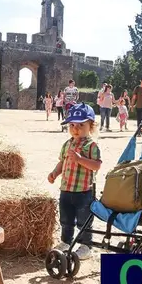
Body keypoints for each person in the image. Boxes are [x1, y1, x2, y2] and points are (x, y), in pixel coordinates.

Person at [47, 103, 102, 260]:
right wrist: (55, 173)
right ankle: (66, 241)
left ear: (91, 126)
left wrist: (80, 159)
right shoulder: (67, 144)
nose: (75, 128)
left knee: (84, 220)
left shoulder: (91, 146)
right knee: (66, 218)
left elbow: (96, 165)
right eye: (72, 125)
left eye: (81, 125)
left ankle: (86, 246)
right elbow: (62, 162)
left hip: (84, 191)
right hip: (66, 189)